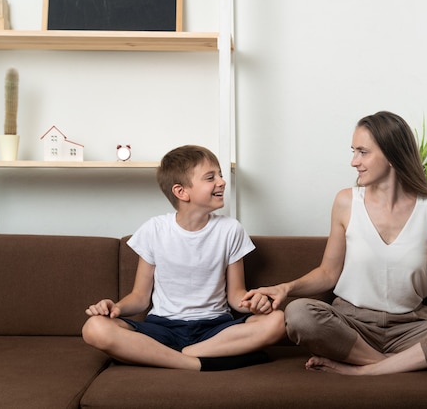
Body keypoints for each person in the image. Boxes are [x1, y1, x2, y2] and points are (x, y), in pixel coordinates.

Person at [242, 111, 427, 375]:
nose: (354, 161)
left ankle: (363, 369)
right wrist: (286, 288)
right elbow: (328, 274)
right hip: (352, 327)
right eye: (354, 151)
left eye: (363, 152)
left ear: (392, 155)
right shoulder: (346, 202)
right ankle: (388, 365)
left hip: (412, 329)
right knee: (299, 314)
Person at [82, 145, 285, 371]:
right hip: (163, 328)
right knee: (94, 328)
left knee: (276, 322)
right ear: (181, 192)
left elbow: (236, 295)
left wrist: (256, 303)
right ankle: (193, 363)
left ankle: (175, 356)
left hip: (215, 329)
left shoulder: (231, 230)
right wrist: (116, 308)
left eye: (220, 174)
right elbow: (140, 297)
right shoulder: (154, 229)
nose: (222, 181)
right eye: (211, 177)